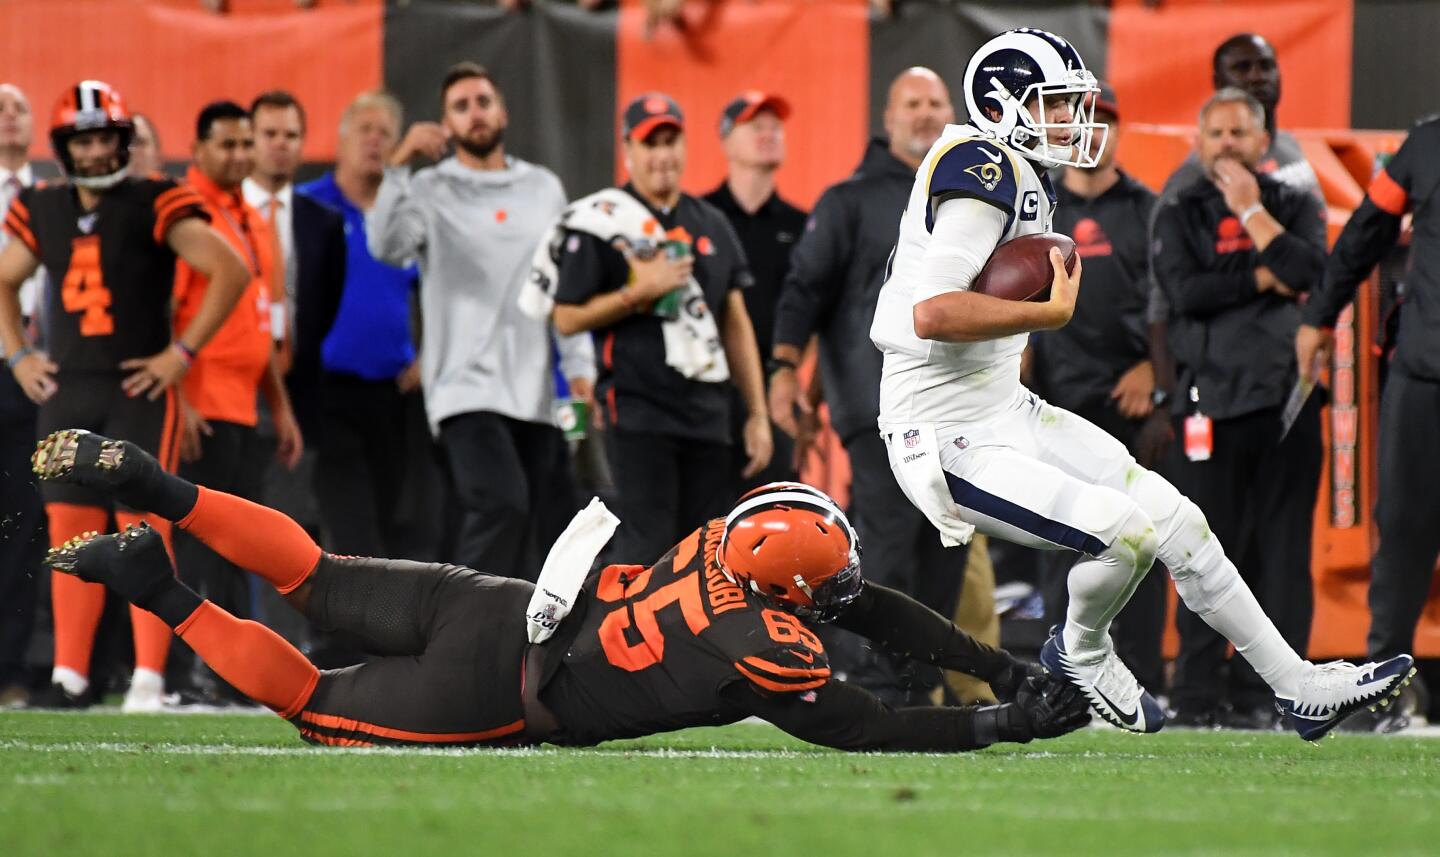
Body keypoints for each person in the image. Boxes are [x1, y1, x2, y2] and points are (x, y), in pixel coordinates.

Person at [868, 27, 1414, 740]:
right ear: (1002, 107)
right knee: (1120, 533)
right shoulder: (981, 167)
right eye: (1054, 105)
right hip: (945, 432)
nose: (1074, 122)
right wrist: (1048, 312)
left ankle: (1298, 685)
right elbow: (932, 311)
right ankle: (1083, 648)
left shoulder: (1014, 164)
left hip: (1004, 407)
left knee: (1180, 521)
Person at [33, 427, 1090, 752]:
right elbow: (859, 725)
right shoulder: (764, 636)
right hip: (497, 691)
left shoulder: (719, 541)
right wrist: (1004, 717)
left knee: (309, 572)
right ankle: (157, 589)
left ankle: (158, 485)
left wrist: (996, 664)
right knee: (310, 698)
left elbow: (863, 604)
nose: (843, 593)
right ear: (790, 583)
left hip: (493, 601)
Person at [0, 80, 250, 710]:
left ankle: (148, 678)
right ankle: (70, 675)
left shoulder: (155, 197)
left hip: (135, 386)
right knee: (69, 529)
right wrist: (19, 355)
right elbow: (3, 280)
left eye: (104, 137)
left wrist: (181, 352)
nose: (94, 152)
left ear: (121, 140)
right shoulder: (43, 204)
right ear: (65, 145)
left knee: (143, 525)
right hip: (70, 384)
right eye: (83, 140)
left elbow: (231, 268)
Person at [768, 68, 972, 704]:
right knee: (888, 544)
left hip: (961, 403)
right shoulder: (849, 200)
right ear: (887, 119)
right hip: (879, 403)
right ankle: (880, 684)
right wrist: (782, 369)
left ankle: (920, 682)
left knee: (947, 547)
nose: (923, 114)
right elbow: (804, 289)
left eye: (935, 102)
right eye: (910, 103)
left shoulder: (972, 195)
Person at [369, 63, 594, 581]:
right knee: (501, 505)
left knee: (544, 527)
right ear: (446, 124)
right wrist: (398, 164)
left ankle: (522, 648)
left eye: (483, 101)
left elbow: (567, 283)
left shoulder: (542, 187)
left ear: (503, 111)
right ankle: (469, 635)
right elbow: (386, 245)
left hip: (534, 391)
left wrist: (579, 365)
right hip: (462, 389)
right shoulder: (428, 187)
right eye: (461, 106)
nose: (476, 114)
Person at [1152, 89, 1327, 729]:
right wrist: (1262, 276)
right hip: (1208, 407)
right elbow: (1186, 293)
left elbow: (1311, 271)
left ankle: (1280, 693)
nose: (1227, 144)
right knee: (1202, 554)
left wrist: (1252, 212)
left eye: (1239, 133)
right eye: (1216, 134)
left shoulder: (1296, 202)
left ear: (1263, 142)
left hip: (1288, 406)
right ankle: (1197, 695)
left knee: (1281, 557)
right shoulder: (1177, 211)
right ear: (1200, 146)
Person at [551, 93, 771, 565]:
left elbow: (735, 321)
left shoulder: (709, 221)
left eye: (671, 141)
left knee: (706, 556)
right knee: (646, 549)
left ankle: (691, 642)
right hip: (638, 410)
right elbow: (565, 317)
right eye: (651, 144)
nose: (663, 155)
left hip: (709, 414)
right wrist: (636, 292)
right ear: (628, 149)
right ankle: (625, 640)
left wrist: (756, 412)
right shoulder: (601, 221)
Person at [1296, 115, 1440, 732]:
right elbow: (1367, 230)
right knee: (1404, 527)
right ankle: (1387, 682)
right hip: (1425, 373)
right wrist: (1319, 316)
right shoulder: (1430, 142)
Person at [1025, 83, 1166, 697]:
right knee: (1061, 539)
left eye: (1103, 120)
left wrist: (1156, 374)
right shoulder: (1035, 204)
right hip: (1057, 403)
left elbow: (1174, 303)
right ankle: (1066, 681)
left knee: (1146, 540)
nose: (1090, 129)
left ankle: (1142, 676)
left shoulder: (1150, 209)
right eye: (1081, 117)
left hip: (1132, 403)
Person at [1141, 33, 1321, 465]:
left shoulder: (1293, 152)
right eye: (1242, 68)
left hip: (1285, 369)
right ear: (1217, 79)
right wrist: (1166, 396)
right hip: (1217, 379)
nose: (1256, 76)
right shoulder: (1190, 182)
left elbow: (1314, 266)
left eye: (1265, 65)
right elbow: (1169, 296)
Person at [299, 91, 435, 561]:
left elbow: (443, 293)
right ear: (340, 140)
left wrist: (430, 355)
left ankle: (366, 630)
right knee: (347, 522)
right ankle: (345, 634)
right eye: (365, 130)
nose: (375, 142)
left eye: (386, 134)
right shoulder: (309, 206)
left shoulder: (406, 216)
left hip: (392, 395)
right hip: (325, 388)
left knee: (386, 520)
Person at [704, 91, 807, 492]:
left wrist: (797, 381)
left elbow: (811, 313)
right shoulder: (701, 218)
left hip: (774, 390)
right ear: (726, 139)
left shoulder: (803, 225)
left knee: (774, 516)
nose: (769, 134)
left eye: (774, 126)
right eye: (755, 125)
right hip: (706, 394)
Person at [0, 82, 46, 707]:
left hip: (32, 374)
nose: (10, 114)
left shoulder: (55, 202)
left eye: (19, 106)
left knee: (21, 527)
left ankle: (8, 670)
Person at [128, 113, 164, 178]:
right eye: (128, 143)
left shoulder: (173, 187)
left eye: (140, 143)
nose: (133, 151)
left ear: (158, 155)